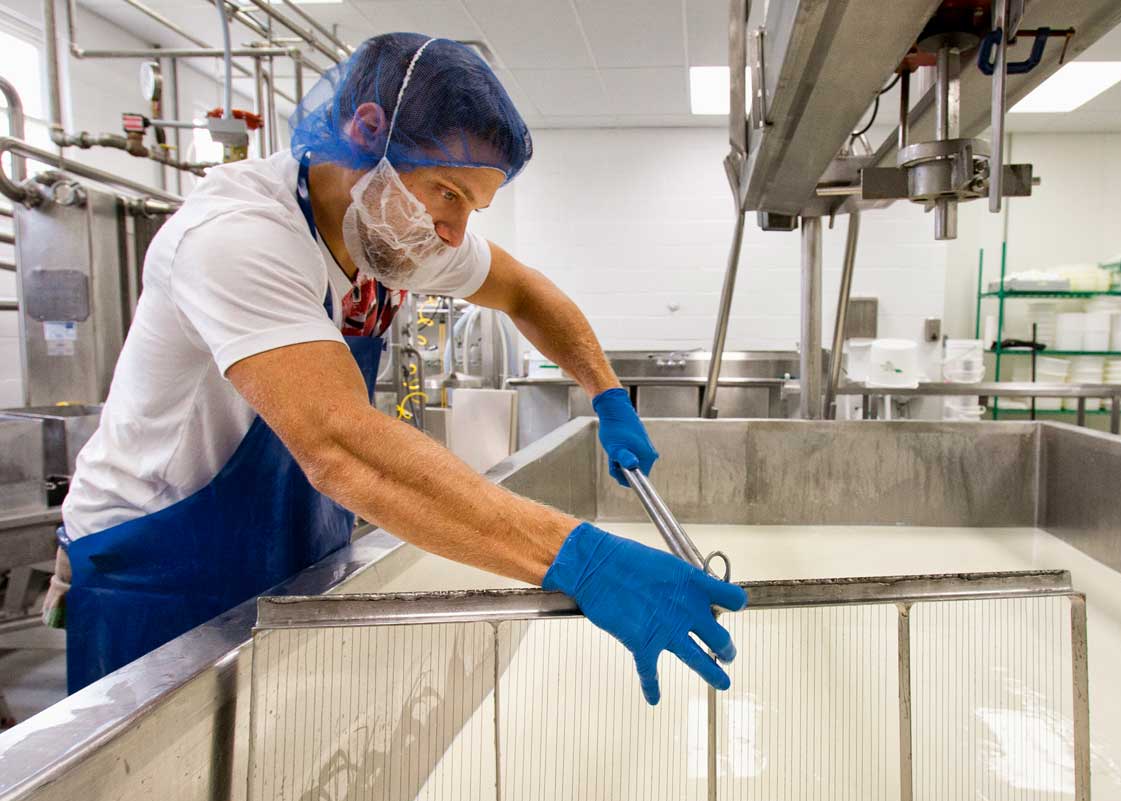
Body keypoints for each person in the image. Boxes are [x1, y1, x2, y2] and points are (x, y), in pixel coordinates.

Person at [52, 32, 745, 703]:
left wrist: (607, 394)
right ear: (365, 130)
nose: (455, 233)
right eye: (447, 192)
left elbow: (527, 292)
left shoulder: (395, 231)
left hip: (283, 548)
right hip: (153, 568)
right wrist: (579, 557)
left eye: (472, 207)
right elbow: (340, 445)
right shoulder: (238, 237)